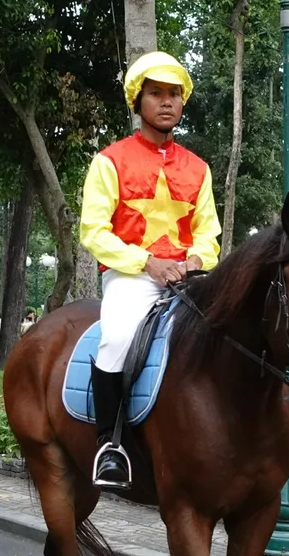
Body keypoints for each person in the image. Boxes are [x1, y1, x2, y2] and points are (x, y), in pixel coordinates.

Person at [79, 50, 221, 489]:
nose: (166, 102)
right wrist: (148, 263)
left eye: (174, 94)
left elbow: (208, 233)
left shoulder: (198, 168)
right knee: (118, 340)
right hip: (131, 276)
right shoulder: (109, 161)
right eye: (156, 94)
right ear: (138, 102)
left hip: (189, 277)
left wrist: (198, 259)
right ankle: (110, 446)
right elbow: (93, 231)